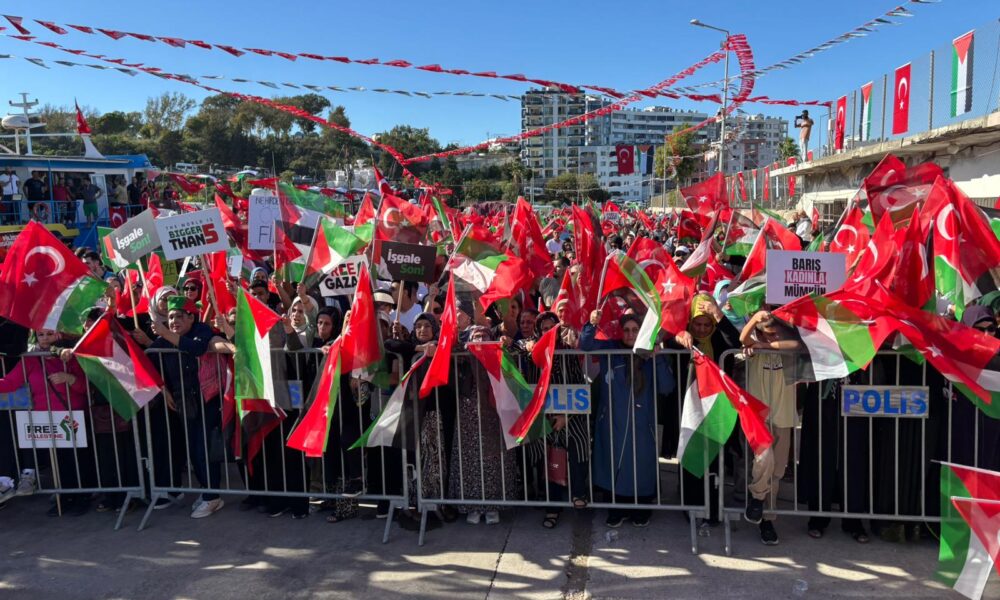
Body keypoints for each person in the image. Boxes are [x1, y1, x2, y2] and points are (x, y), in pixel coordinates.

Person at [580, 310, 676, 528]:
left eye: (635, 330)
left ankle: (641, 508)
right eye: (626, 330)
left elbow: (667, 386)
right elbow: (586, 345)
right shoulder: (611, 349)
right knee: (613, 463)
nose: (630, 334)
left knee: (641, 465)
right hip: (612, 421)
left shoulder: (648, 353)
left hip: (642, 423)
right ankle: (616, 509)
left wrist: (658, 358)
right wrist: (591, 323)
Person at [0, 329, 94, 515]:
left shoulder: (70, 356)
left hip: (71, 416)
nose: (44, 339)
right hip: (46, 418)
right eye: (41, 335)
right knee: (58, 462)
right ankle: (64, 498)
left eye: (49, 334)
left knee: (77, 460)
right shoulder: (31, 359)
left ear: (58, 335)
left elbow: (86, 387)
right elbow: (10, 382)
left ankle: (83, 497)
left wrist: (69, 378)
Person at [148, 296, 225, 518]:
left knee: (203, 449)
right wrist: (164, 390)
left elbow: (198, 348)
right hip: (184, 401)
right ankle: (208, 491)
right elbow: (150, 361)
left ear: (191, 317)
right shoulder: (165, 338)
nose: (174, 321)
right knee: (193, 449)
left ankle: (212, 496)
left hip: (206, 399)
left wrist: (166, 333)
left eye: (179, 316)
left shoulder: (202, 330)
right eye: (171, 317)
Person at [448, 294, 521, 525]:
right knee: (469, 455)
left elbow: (496, 337)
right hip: (468, 404)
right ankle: (472, 504)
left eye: (459, 311)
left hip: (490, 402)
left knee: (492, 455)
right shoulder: (454, 338)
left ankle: (493, 505)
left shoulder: (484, 332)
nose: (455, 316)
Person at [670, 294, 743, 525]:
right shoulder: (685, 339)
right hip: (690, 408)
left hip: (716, 408)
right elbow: (665, 340)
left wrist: (718, 315)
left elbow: (736, 342)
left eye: (706, 325)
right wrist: (679, 334)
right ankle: (691, 506)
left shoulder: (719, 339)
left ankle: (712, 508)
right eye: (697, 324)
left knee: (714, 458)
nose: (701, 329)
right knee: (691, 455)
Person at [739, 310, 801, 545]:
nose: (771, 337)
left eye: (775, 333)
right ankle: (757, 499)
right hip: (760, 416)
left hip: (783, 416)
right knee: (764, 459)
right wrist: (755, 319)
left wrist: (768, 345)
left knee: (777, 471)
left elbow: (796, 343)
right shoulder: (753, 349)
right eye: (766, 333)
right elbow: (743, 338)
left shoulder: (786, 348)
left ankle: (767, 519)